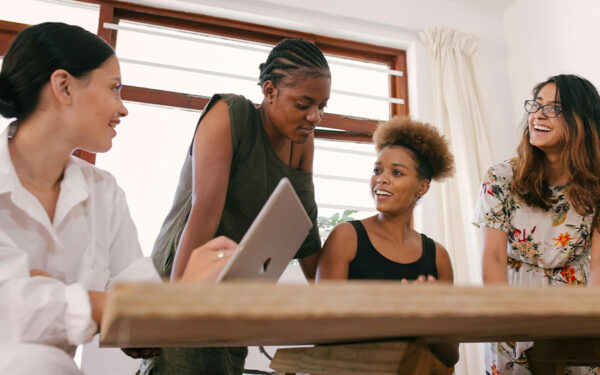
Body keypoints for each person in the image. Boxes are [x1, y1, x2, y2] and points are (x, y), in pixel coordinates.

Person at [0, 22, 237, 375]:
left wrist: (183, 298)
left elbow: (142, 325)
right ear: (63, 87)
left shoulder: (103, 193)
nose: (123, 108)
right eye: (114, 89)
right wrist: (107, 306)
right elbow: (15, 310)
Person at [145, 39, 331, 374]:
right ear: (270, 91)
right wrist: (175, 306)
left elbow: (306, 228)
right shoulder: (229, 115)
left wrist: (337, 307)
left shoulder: (301, 141)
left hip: (236, 289)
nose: (314, 116)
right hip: (187, 275)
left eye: (322, 106)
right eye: (304, 103)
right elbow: (205, 213)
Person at [474, 74, 600, 375]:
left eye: (553, 108)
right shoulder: (501, 177)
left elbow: (599, 265)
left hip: (577, 305)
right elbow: (492, 256)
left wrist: (591, 317)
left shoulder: (597, 185)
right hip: (512, 303)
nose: (538, 115)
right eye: (536, 105)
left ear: (581, 119)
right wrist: (504, 316)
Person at [316, 116, 459, 367]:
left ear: (422, 187)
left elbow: (450, 356)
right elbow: (321, 329)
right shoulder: (346, 237)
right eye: (377, 170)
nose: (381, 179)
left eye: (396, 172)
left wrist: (429, 316)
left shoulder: (438, 256)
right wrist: (398, 312)